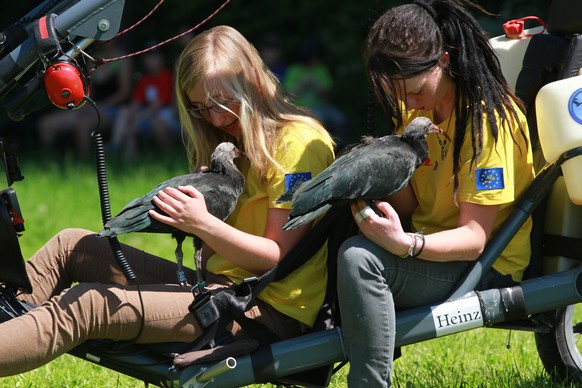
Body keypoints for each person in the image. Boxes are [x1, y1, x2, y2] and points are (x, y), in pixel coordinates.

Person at [0, 25, 335, 376]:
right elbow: (211, 263)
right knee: (72, 246)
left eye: (225, 103)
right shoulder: (233, 147)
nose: (217, 118)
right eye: (201, 108)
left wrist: (203, 223)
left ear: (253, 80)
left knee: (88, 305)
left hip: (262, 310)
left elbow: (274, 258)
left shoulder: (297, 144)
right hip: (222, 288)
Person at [336, 0, 535, 386]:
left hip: (487, 265)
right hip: (432, 246)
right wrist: (361, 177)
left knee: (360, 259)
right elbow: (411, 203)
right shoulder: (415, 112)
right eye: (397, 93)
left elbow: (475, 239)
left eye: (413, 91)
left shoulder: (488, 121)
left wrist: (405, 244)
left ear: (442, 60)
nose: (407, 104)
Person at [36, 40, 134, 156]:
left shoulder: (122, 60)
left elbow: (124, 93)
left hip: (114, 109)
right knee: (46, 124)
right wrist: (85, 106)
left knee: (83, 124)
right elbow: (88, 91)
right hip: (90, 106)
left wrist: (98, 106)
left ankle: (85, 164)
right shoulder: (91, 59)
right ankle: (50, 163)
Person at [109, 46, 180, 159]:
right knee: (125, 112)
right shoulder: (145, 79)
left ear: (162, 59)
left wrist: (139, 117)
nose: (151, 61)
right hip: (148, 114)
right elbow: (136, 103)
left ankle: (169, 157)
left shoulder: (167, 76)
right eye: (148, 57)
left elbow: (160, 104)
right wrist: (132, 115)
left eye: (155, 57)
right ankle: (120, 151)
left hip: (163, 114)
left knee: (153, 123)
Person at [283, 36, 349, 144]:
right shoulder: (294, 70)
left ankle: (341, 145)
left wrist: (317, 84)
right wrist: (303, 83)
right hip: (300, 107)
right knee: (320, 120)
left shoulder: (320, 69)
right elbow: (289, 96)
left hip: (321, 105)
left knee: (340, 120)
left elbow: (327, 95)